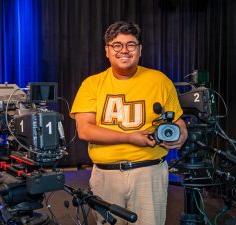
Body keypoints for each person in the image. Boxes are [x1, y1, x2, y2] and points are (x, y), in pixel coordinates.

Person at [70, 21, 188, 225]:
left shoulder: (159, 80)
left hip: (149, 173)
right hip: (106, 176)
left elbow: (178, 123)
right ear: (107, 50)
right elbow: (84, 129)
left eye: (131, 44)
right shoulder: (92, 84)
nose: (124, 50)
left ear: (139, 50)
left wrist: (180, 136)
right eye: (117, 45)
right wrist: (130, 138)